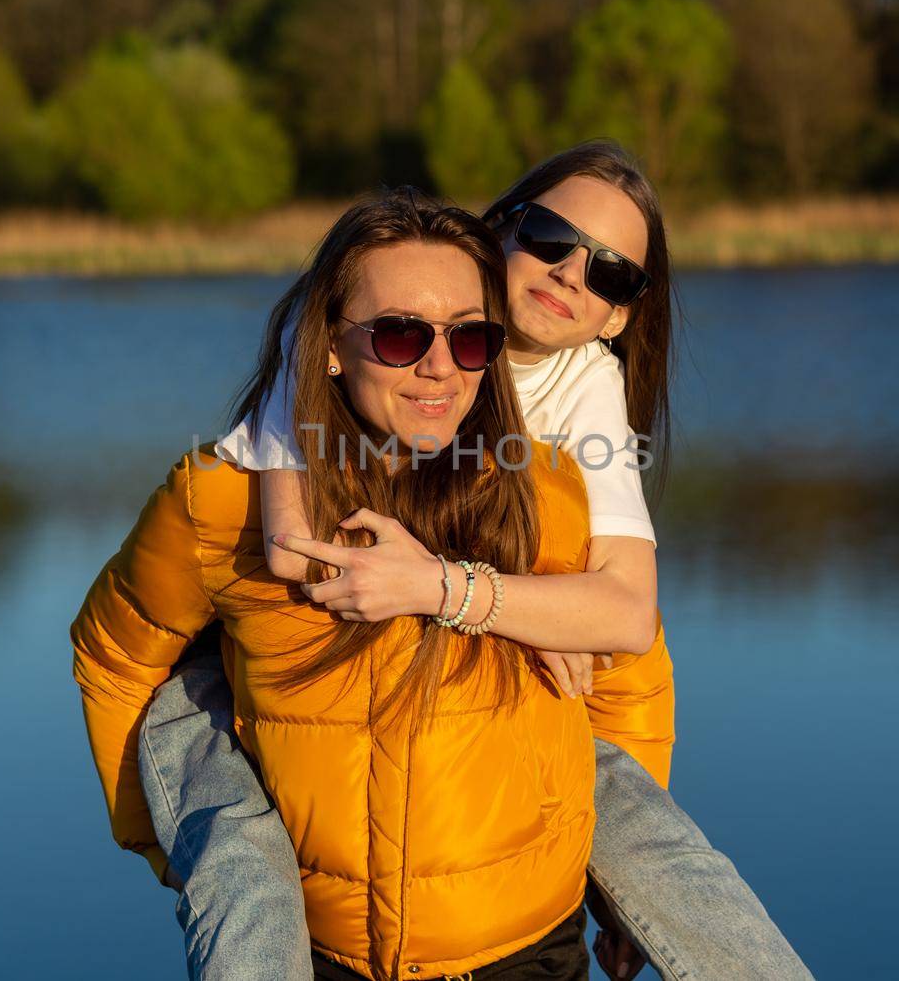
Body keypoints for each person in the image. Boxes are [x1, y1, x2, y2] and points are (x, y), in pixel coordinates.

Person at [135, 143, 813, 980]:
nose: (571, 274)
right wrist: (521, 601)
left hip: (487, 747)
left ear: (620, 316)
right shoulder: (375, 312)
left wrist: (502, 599)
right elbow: (297, 545)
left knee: (661, 848)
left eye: (611, 275)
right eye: (554, 237)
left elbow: (629, 630)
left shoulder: (586, 393)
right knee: (242, 865)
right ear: (500, 228)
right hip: (260, 675)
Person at [72, 188, 675, 980]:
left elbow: (627, 679)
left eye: (470, 340)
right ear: (324, 344)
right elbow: (115, 657)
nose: (438, 366)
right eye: (398, 335)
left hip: (530, 954)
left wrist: (619, 883)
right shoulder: (224, 499)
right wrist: (181, 850)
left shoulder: (548, 495)